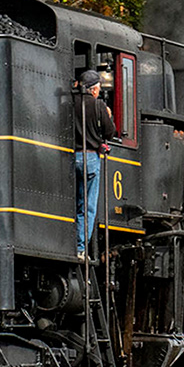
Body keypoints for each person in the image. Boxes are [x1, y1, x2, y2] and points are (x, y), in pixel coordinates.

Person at [74, 69, 115, 257]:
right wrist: (108, 115)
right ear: (94, 89)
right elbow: (109, 132)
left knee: (74, 202)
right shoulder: (99, 106)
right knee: (88, 206)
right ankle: (80, 248)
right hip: (90, 158)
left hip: (71, 156)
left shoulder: (71, 103)